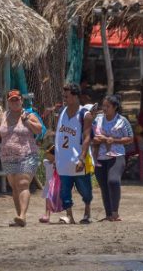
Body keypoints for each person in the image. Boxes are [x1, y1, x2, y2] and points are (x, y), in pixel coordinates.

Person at [0, 90, 43, 227]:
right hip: (7, 157)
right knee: (14, 186)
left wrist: (27, 122)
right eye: (12, 100)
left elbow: (39, 129)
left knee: (23, 184)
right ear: (8, 102)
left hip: (27, 155)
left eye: (17, 99)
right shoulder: (3, 117)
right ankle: (19, 217)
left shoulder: (29, 115)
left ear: (21, 101)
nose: (14, 102)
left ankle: (22, 215)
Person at [55, 83, 94, 224]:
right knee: (65, 191)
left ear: (76, 96)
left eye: (67, 96)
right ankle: (69, 216)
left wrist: (82, 158)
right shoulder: (61, 112)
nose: (65, 99)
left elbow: (87, 137)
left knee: (85, 190)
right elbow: (59, 136)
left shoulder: (85, 115)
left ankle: (87, 211)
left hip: (78, 159)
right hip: (63, 159)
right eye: (64, 96)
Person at [93, 94, 133, 222]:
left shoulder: (122, 120)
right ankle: (109, 214)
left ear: (115, 107)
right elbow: (90, 133)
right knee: (104, 186)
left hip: (116, 156)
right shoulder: (98, 119)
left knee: (113, 181)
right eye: (103, 105)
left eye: (108, 106)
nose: (104, 108)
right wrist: (96, 140)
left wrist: (113, 140)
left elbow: (130, 138)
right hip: (100, 156)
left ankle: (115, 212)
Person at [38, 146, 63, 223]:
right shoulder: (46, 162)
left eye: (49, 155)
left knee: (61, 200)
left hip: (57, 185)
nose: (47, 157)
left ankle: (66, 214)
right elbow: (47, 154)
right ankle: (47, 215)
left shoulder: (59, 163)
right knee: (48, 200)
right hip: (49, 185)